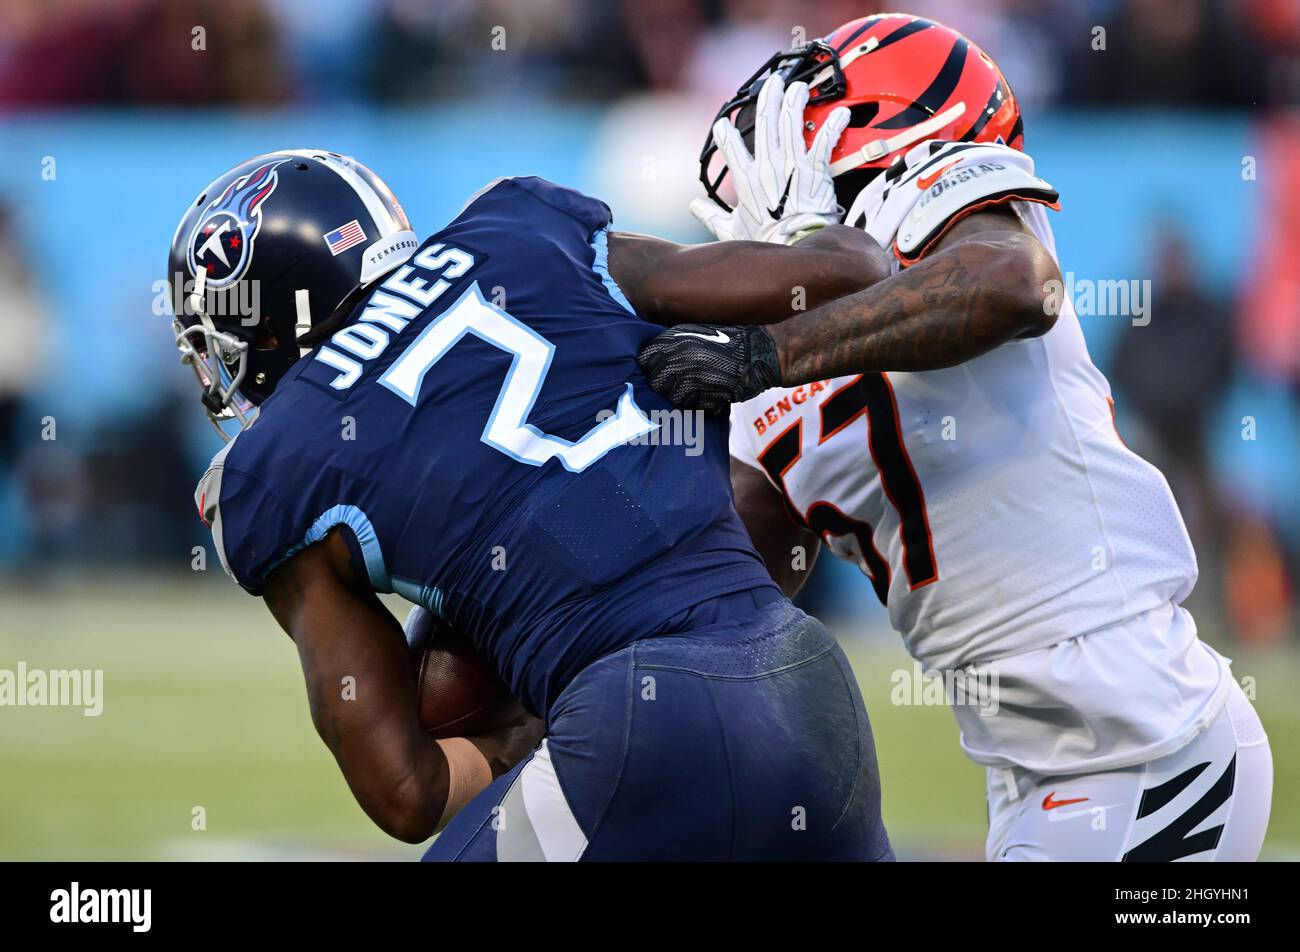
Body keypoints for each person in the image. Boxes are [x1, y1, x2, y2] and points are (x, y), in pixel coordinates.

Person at [637, 13, 1274, 861]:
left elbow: (1014, 286)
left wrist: (766, 356)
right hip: (1040, 772)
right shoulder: (767, 368)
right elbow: (722, 596)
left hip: (1148, 748)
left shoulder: (961, 237)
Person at [167, 147, 896, 860]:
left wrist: (528, 718)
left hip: (634, 727)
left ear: (266, 324)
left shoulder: (276, 471)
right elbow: (850, 270)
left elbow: (405, 792)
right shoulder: (524, 231)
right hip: (811, 688)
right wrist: (803, 233)